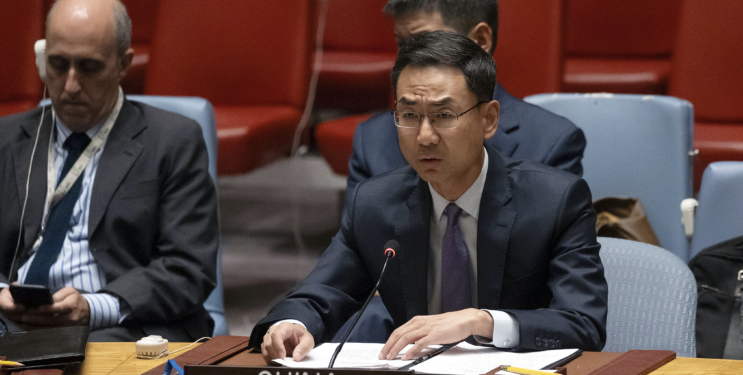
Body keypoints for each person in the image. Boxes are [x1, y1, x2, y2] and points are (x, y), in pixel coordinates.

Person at [253, 31, 607, 363]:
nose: (424, 136)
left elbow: (583, 324)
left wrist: (481, 322)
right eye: (409, 115)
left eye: (443, 116)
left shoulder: (554, 201)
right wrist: (293, 324)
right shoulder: (375, 203)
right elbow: (319, 296)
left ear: (488, 119)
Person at [0, 0, 218, 342]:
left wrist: (94, 307)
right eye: (57, 64)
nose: (70, 85)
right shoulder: (3, 139)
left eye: (89, 67)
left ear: (123, 65)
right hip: (8, 321)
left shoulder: (172, 142)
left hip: (117, 325)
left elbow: (188, 269)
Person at [347, 0, 585, 199]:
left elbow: (546, 249)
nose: (408, 59)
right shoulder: (372, 143)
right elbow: (357, 250)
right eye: (402, 44)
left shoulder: (550, 145)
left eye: (426, 42)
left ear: (480, 40)